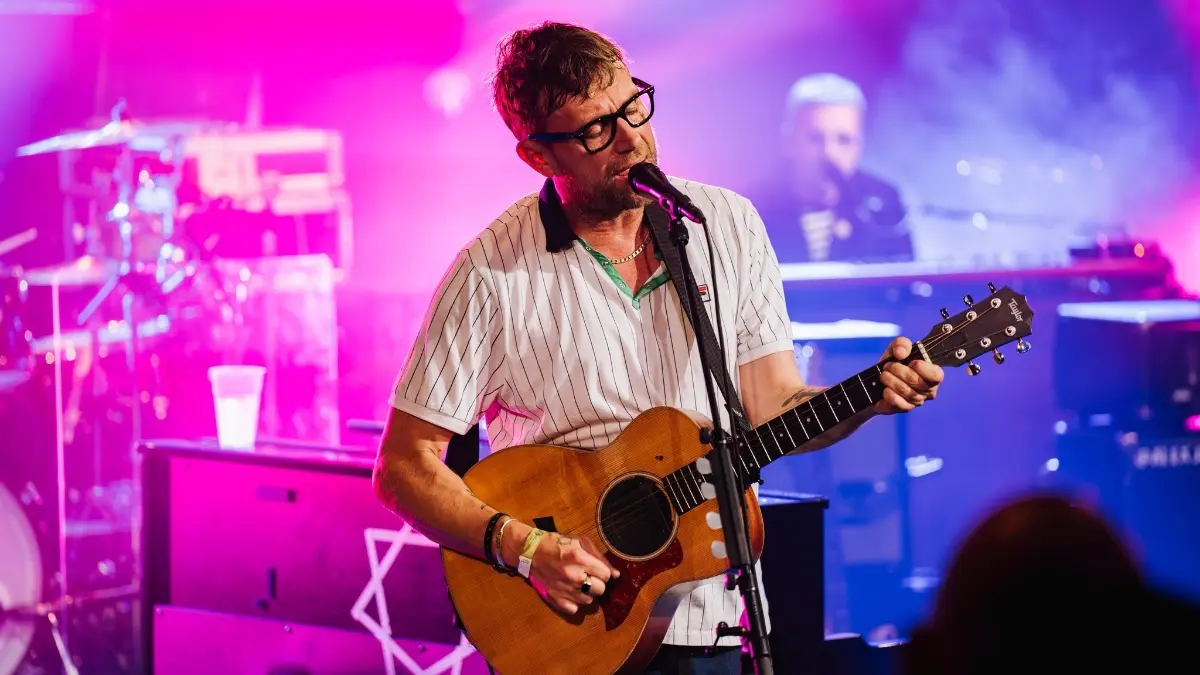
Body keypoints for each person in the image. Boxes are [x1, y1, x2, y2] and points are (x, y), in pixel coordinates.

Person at [372, 22, 944, 675]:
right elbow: (402, 464)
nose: (630, 139)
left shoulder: (726, 226)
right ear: (539, 156)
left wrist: (872, 395)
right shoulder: (490, 273)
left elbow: (774, 405)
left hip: (717, 621)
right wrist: (527, 549)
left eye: (633, 106)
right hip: (568, 629)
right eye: (596, 130)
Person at [754, 73, 915, 264]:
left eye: (844, 140)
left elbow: (904, 285)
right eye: (815, 138)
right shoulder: (754, 207)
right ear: (790, 141)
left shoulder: (882, 202)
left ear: (859, 145)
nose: (829, 154)